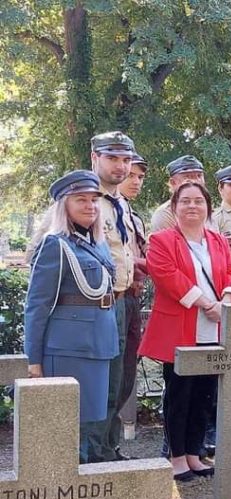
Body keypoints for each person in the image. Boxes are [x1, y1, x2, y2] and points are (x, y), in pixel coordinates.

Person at [138, 181, 231, 482]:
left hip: (214, 325)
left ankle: (195, 453)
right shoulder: (161, 239)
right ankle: (176, 456)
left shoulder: (217, 240)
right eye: (185, 201)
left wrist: (227, 300)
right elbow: (166, 275)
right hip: (180, 327)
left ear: (208, 207)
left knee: (204, 393)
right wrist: (206, 302)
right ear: (174, 207)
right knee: (179, 394)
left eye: (198, 201)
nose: (192, 206)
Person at [24, 170, 119, 463]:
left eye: (94, 200)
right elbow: (37, 305)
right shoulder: (55, 245)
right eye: (81, 200)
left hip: (100, 343)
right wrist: (34, 359)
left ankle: (84, 485)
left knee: (90, 422)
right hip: (68, 349)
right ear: (64, 205)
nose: (91, 206)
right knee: (66, 429)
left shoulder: (97, 245)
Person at [83, 131, 138, 463]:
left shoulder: (121, 204)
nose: (120, 166)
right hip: (97, 305)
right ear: (95, 159)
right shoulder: (84, 199)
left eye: (125, 159)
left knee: (120, 380)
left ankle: (108, 447)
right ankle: (92, 454)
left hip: (125, 300)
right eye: (113, 158)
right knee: (100, 382)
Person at [116, 152, 150, 449]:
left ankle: (110, 445)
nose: (136, 181)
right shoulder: (98, 207)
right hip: (110, 300)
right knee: (111, 377)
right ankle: (100, 447)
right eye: (132, 175)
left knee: (126, 375)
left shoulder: (132, 214)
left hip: (131, 299)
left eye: (140, 176)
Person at [150, 155, 207, 233]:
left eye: (199, 176)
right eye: (187, 177)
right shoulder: (165, 214)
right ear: (173, 182)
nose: (196, 181)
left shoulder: (208, 210)